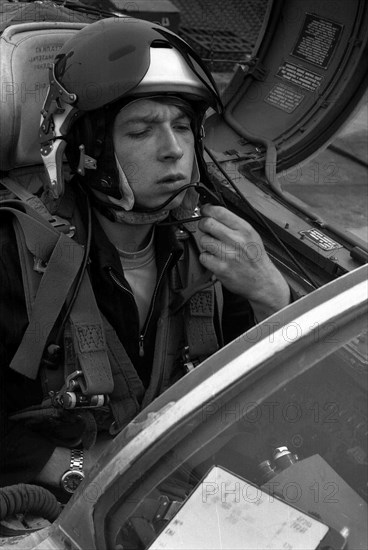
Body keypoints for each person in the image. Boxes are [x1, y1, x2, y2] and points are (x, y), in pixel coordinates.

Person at [0, 17, 291, 498]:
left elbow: (273, 390)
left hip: (186, 472)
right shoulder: (14, 250)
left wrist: (271, 295)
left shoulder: (221, 244)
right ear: (83, 147)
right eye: (141, 131)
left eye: (182, 126)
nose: (173, 150)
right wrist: (76, 469)